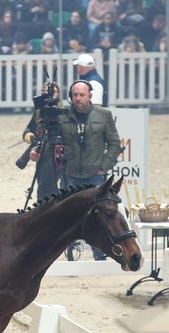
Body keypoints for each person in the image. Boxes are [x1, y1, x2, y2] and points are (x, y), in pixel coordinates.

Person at [60, 80, 122, 260]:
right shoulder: (62, 116)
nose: (78, 98)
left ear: (90, 96)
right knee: (70, 216)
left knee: (99, 216)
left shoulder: (104, 115)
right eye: (75, 95)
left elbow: (114, 143)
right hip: (70, 174)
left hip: (95, 175)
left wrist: (105, 165)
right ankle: (70, 253)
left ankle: (100, 254)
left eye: (82, 95)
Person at [17, 82, 65, 200]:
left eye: (52, 92)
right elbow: (27, 130)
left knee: (50, 188)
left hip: (58, 154)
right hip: (41, 154)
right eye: (45, 92)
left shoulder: (63, 112)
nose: (48, 95)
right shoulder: (39, 112)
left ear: (58, 94)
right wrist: (31, 137)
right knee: (42, 186)